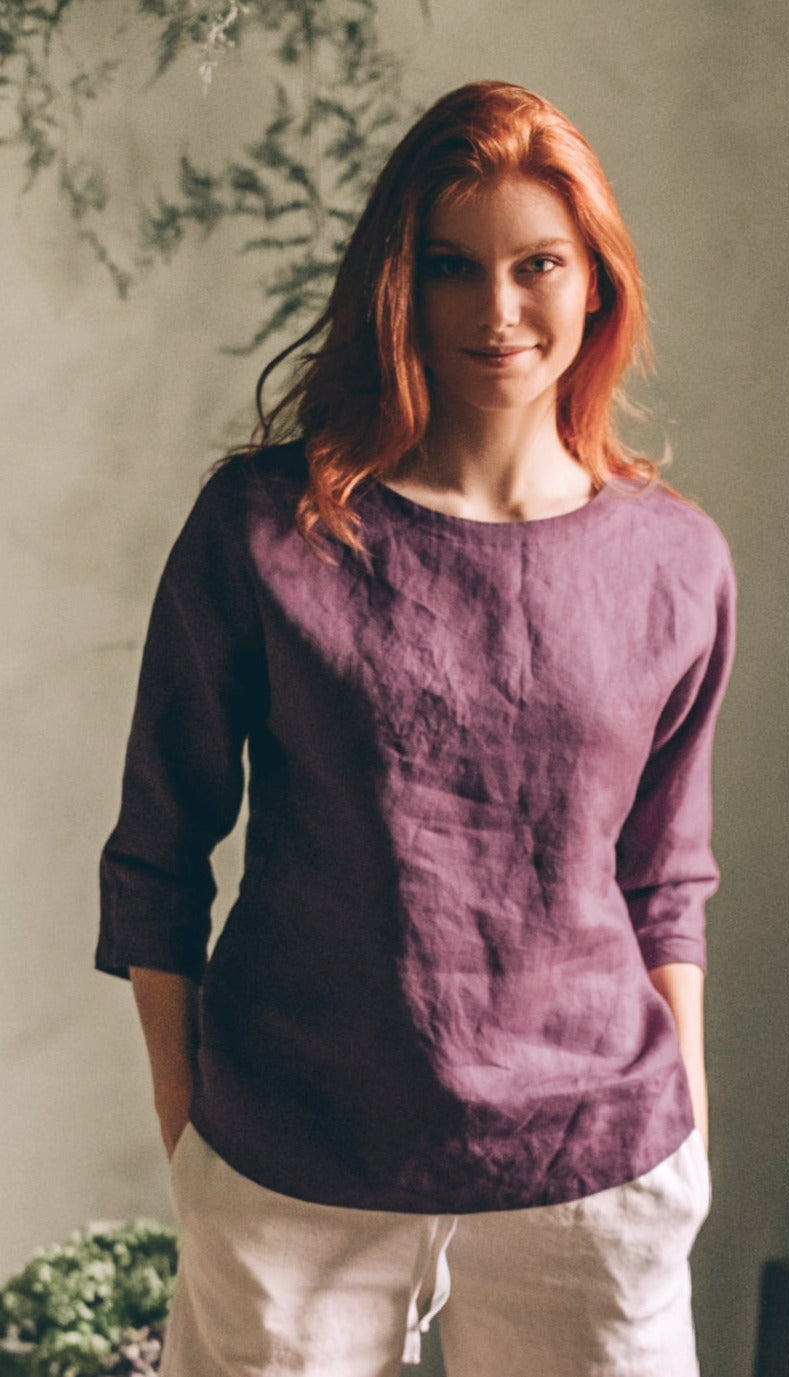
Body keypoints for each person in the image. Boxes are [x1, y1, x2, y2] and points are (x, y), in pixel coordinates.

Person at [96, 79, 737, 1377]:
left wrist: (692, 1126)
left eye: (536, 264)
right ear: (399, 284)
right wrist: (189, 1132)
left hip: (592, 1170)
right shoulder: (267, 530)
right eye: (452, 266)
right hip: (293, 1163)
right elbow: (157, 856)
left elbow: (664, 873)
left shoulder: (676, 561)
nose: (497, 312)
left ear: (595, 282)